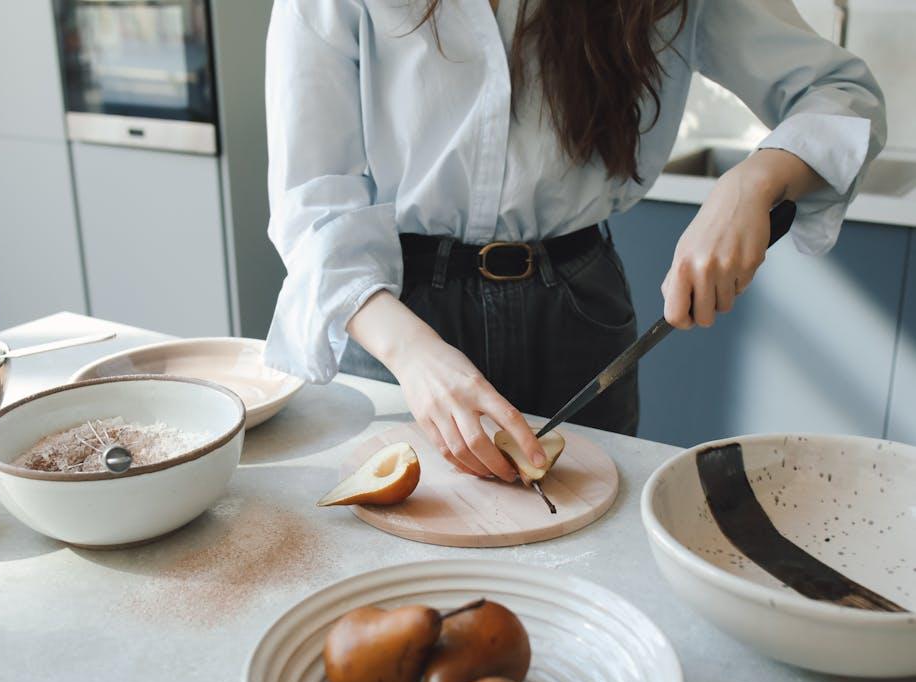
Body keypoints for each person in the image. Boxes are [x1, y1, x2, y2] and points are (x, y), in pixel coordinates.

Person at [262, 0, 884, 483]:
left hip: (577, 320)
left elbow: (840, 95)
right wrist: (417, 359)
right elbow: (313, 196)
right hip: (388, 319)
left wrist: (757, 179)